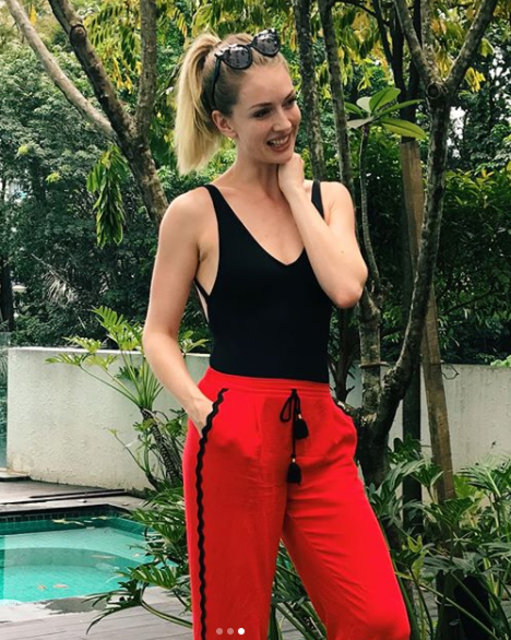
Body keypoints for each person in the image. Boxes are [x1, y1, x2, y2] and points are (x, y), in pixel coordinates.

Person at [142, 27, 410, 640]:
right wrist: (202, 411)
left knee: (378, 621)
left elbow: (346, 287)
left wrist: (293, 192)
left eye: (288, 102)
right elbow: (158, 333)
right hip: (231, 426)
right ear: (225, 123)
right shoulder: (195, 213)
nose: (284, 122)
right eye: (262, 112)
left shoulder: (328, 199)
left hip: (318, 434)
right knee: (232, 629)